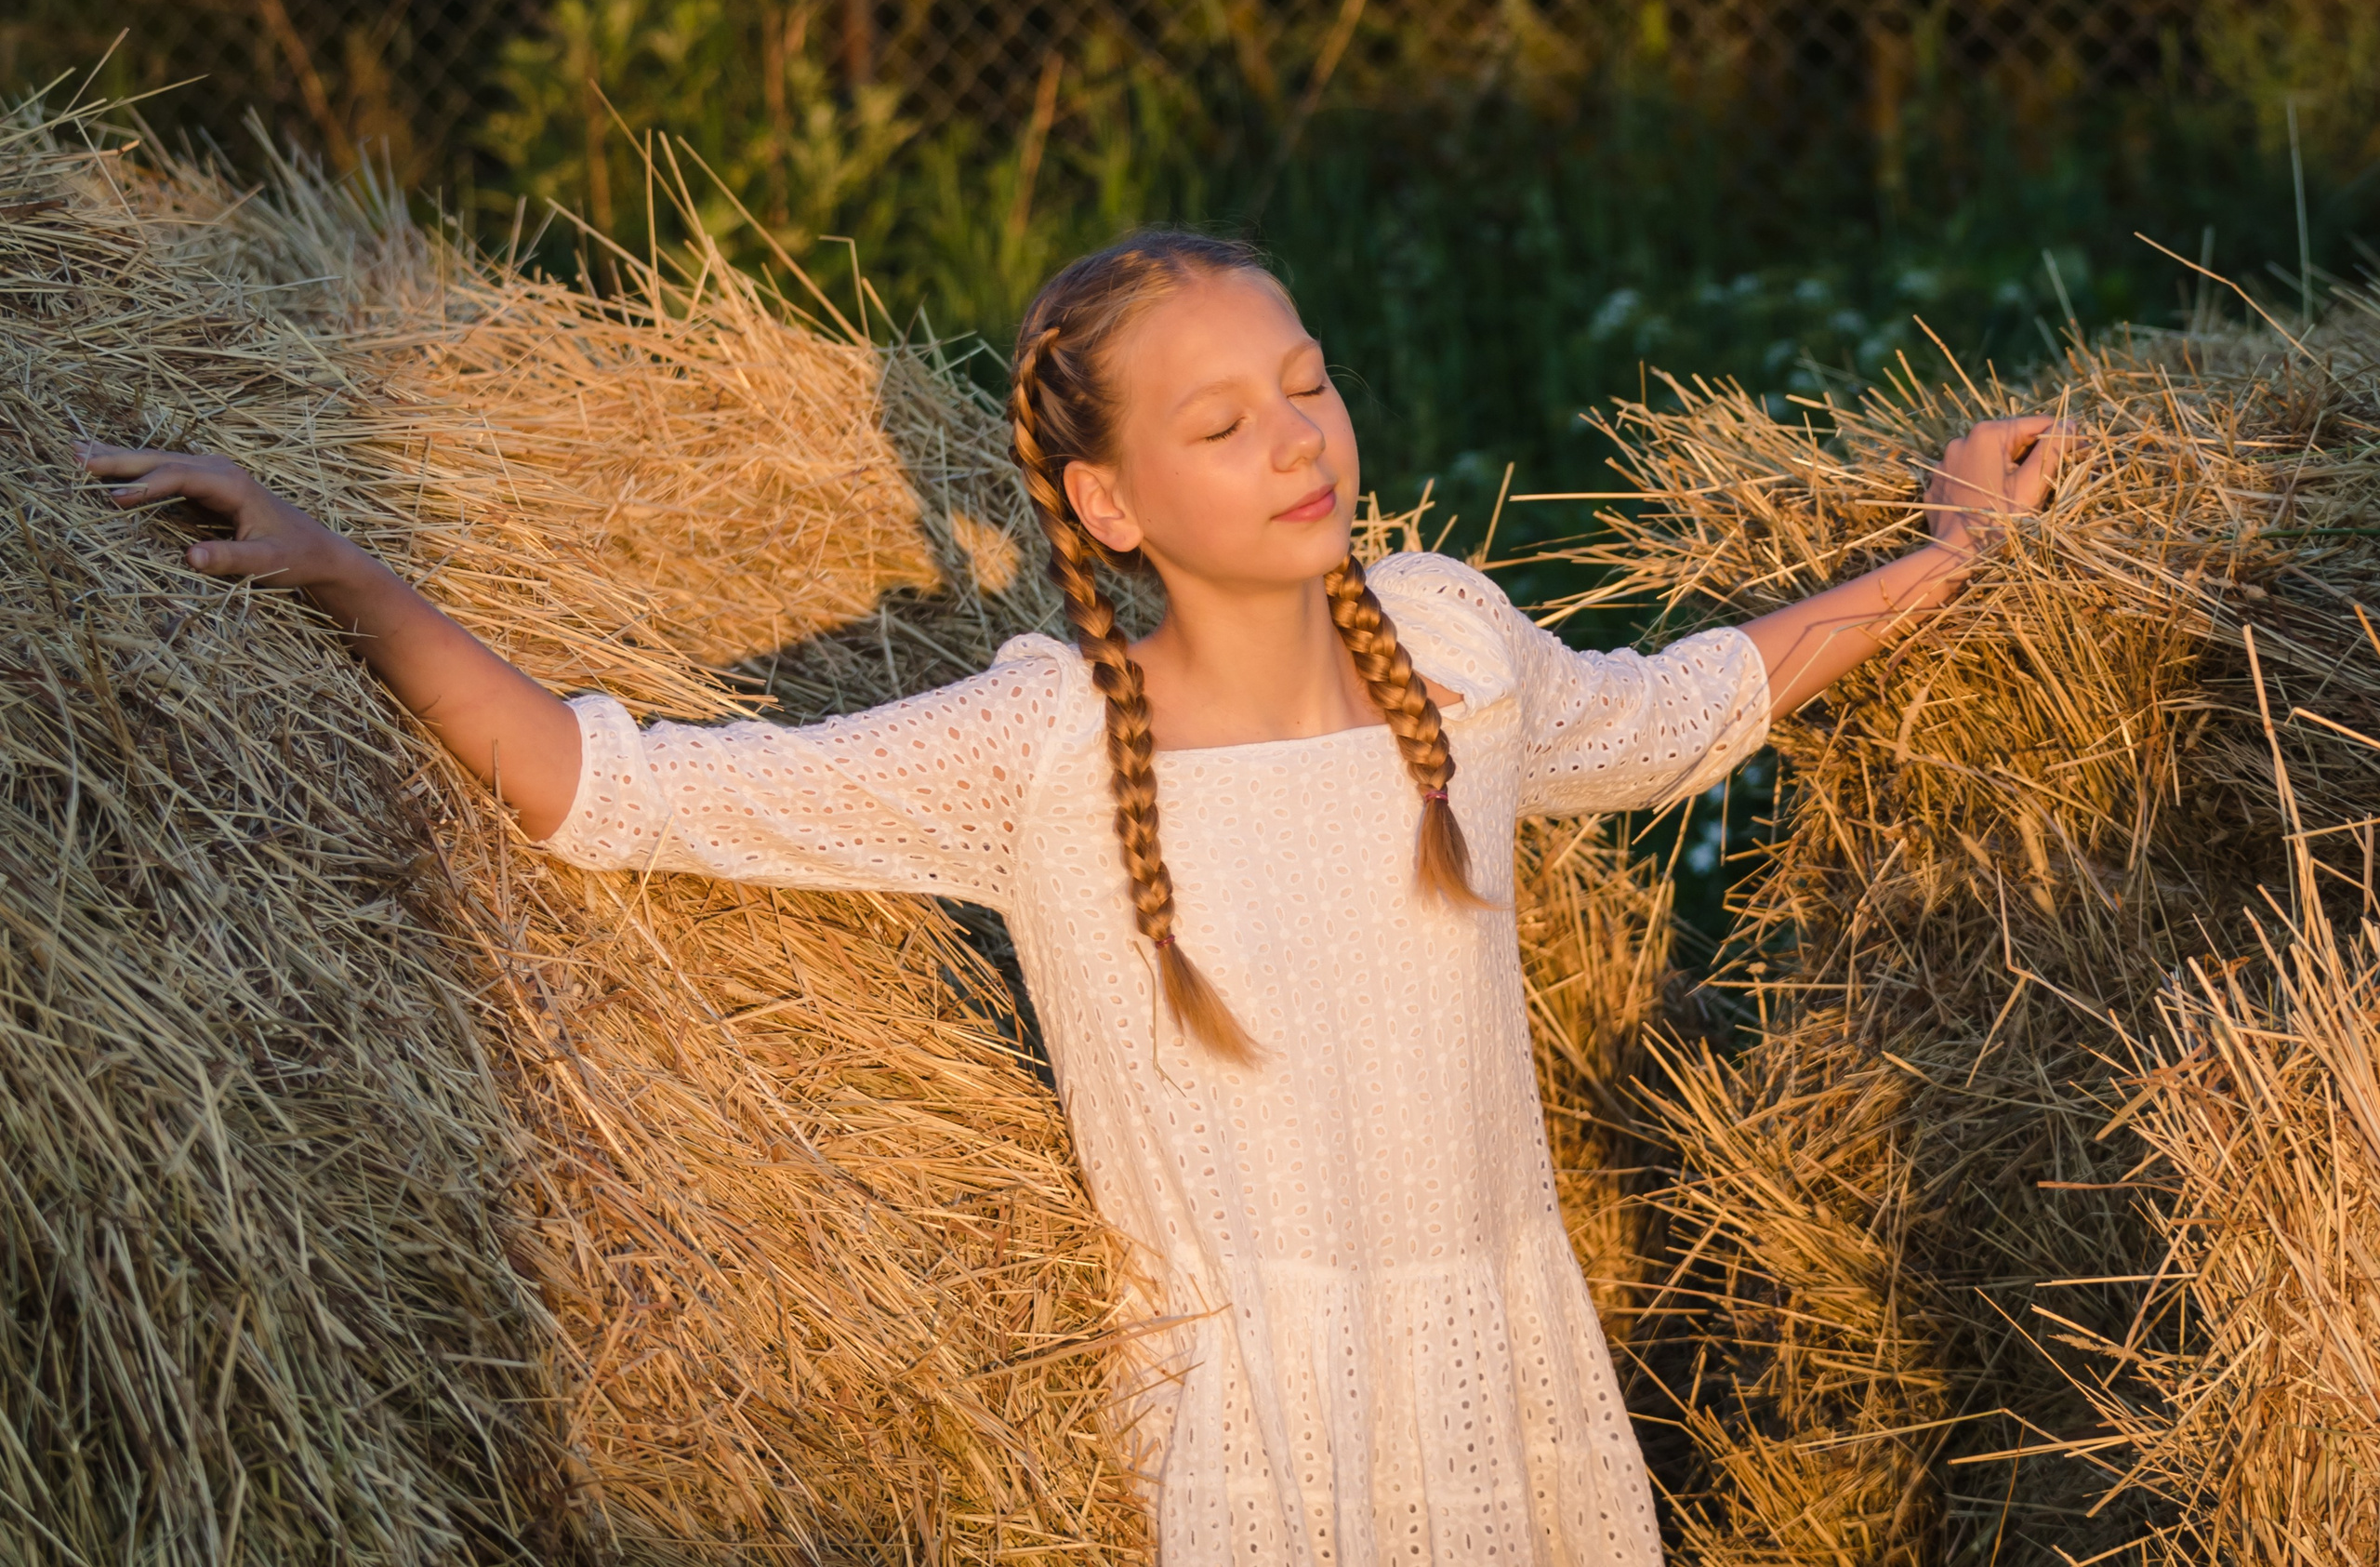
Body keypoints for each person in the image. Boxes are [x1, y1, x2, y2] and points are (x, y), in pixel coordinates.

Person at [82, 231, 2065, 1565]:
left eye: (1302, 384)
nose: (1296, 439)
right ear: (1107, 503)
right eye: (1220, 422)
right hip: (1242, 1452)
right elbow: (620, 788)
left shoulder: (1453, 640)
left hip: (1508, 1392)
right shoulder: (1032, 745)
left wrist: (1953, 545)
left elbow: (1683, 706)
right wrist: (349, 571)